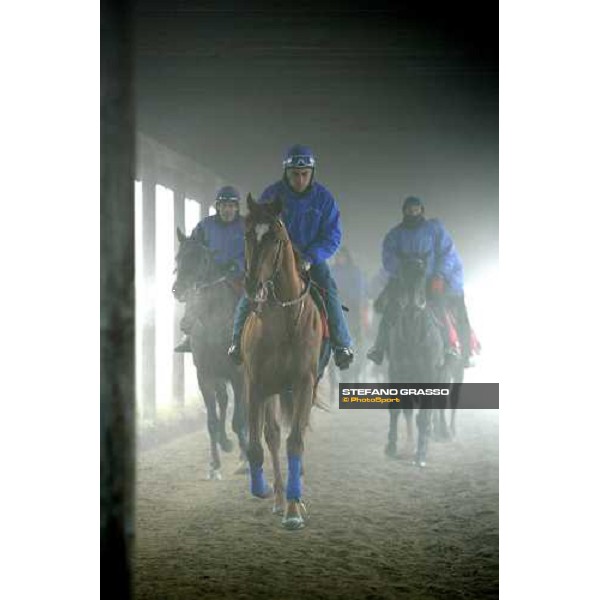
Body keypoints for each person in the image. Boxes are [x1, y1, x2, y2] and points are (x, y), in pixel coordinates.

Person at [227, 144, 354, 370]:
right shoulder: (271, 194)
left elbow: (333, 236)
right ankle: (237, 341)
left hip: (310, 259)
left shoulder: (324, 199)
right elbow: (259, 227)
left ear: (312, 173)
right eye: (295, 174)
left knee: (329, 288)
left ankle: (342, 345)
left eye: (305, 174)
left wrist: (311, 256)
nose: (300, 179)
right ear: (286, 172)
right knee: (252, 290)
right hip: (274, 260)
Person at [366, 195, 474, 367]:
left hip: (429, 279)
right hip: (404, 280)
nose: (413, 213)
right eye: (409, 210)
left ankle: (449, 347)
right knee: (391, 308)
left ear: (422, 210)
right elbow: (387, 257)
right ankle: (379, 348)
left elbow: (446, 253)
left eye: (416, 209)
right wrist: (400, 268)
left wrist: (439, 275)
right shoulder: (395, 234)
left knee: (439, 307)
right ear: (404, 212)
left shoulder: (434, 229)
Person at [174, 185, 245, 352]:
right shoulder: (205, 225)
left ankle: (249, 337)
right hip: (211, 275)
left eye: (231, 206)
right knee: (195, 294)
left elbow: (253, 251)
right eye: (223, 206)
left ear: (236, 207)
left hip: (237, 275)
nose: (227, 210)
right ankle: (189, 334)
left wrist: (238, 264)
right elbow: (193, 247)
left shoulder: (245, 226)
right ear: (218, 207)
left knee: (250, 300)